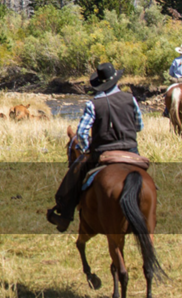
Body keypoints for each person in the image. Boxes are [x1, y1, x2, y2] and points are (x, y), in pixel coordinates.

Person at [46, 62, 143, 232]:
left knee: (75, 175)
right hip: (131, 151)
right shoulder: (130, 99)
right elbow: (139, 126)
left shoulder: (94, 104)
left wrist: (85, 149)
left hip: (103, 152)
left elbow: (82, 133)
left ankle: (64, 215)